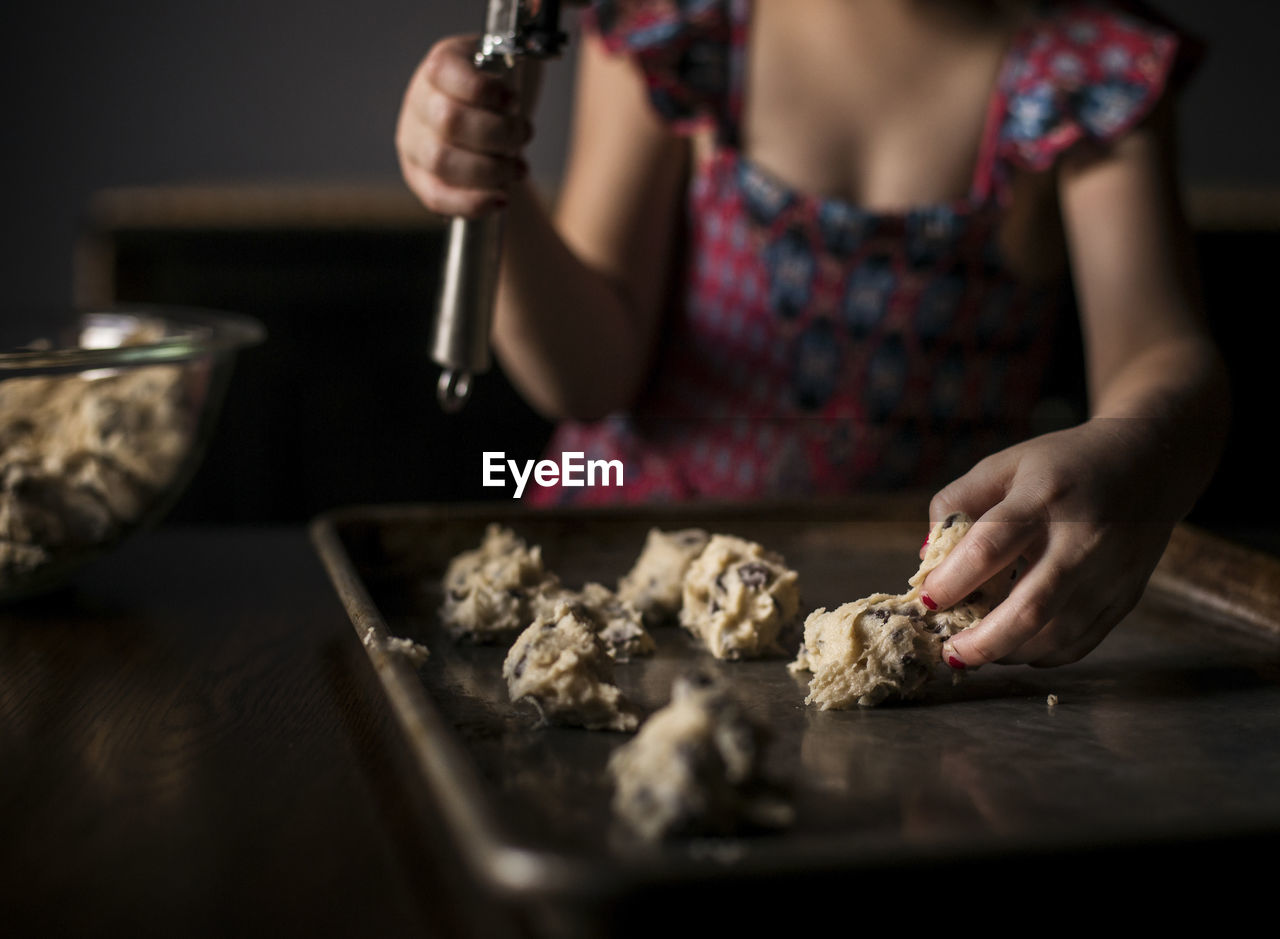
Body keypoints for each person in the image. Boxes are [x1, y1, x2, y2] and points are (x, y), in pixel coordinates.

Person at [395, 0, 1229, 671]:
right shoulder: (679, 26)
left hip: (904, 618)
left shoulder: (1088, 72)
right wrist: (489, 185)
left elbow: (1161, 352)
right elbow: (588, 377)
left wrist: (1141, 450)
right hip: (617, 563)